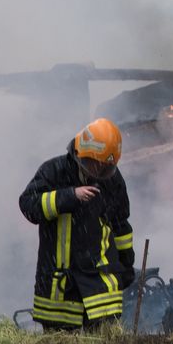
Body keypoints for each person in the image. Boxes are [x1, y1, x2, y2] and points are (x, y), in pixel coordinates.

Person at [18, 117, 136, 330]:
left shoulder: (112, 179)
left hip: (100, 284)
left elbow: (121, 225)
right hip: (61, 286)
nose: (99, 173)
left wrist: (126, 265)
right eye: (95, 165)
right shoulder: (53, 171)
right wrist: (68, 197)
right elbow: (29, 205)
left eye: (105, 167)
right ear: (82, 153)